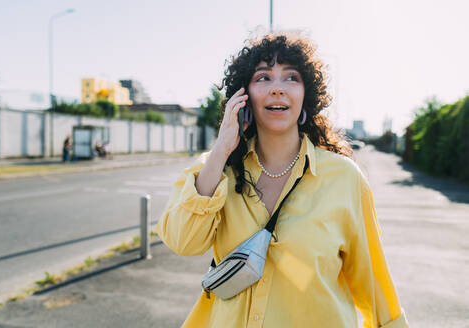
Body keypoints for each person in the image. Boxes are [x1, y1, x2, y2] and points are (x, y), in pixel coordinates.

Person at [156, 33, 409, 328]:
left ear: (307, 94)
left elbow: (373, 281)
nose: (277, 89)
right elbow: (182, 241)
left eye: (291, 78)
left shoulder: (344, 178)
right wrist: (221, 150)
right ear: (244, 93)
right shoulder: (216, 170)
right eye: (263, 78)